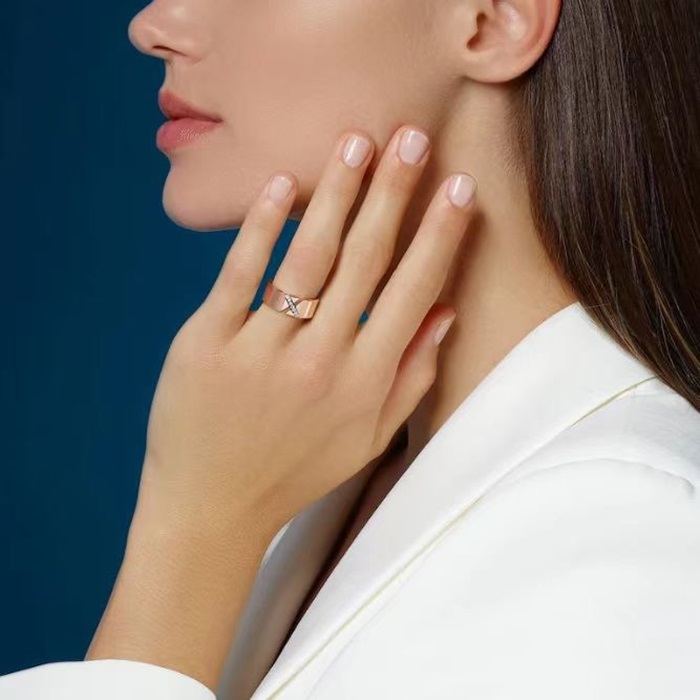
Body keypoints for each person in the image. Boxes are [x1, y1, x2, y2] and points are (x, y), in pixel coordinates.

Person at [2, 0, 698, 698]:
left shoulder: (624, 540)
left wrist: (188, 539)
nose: (153, 26)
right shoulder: (342, 467)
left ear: (494, 19)